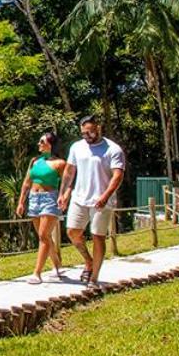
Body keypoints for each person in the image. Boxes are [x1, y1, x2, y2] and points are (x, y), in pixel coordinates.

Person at [59, 115, 126, 284]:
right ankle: (88, 261)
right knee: (72, 231)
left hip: (101, 201)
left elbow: (118, 176)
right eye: (83, 133)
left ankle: (94, 277)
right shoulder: (77, 147)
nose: (86, 136)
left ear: (98, 127)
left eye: (89, 132)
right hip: (80, 198)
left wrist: (105, 196)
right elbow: (69, 172)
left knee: (98, 236)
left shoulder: (113, 149)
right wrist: (64, 193)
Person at [15, 131, 69, 284]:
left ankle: (37, 273)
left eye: (42, 142)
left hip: (49, 199)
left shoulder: (59, 163)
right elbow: (27, 182)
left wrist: (64, 197)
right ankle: (57, 265)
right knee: (43, 236)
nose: (39, 144)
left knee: (44, 235)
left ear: (50, 144)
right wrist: (21, 202)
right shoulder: (34, 161)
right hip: (34, 199)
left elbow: (67, 183)